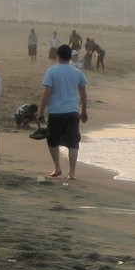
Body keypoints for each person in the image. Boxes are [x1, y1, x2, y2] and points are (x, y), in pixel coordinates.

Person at [36, 44, 89, 180]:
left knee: (53, 140)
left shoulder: (51, 71)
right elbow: (83, 95)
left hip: (55, 112)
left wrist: (41, 112)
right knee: (73, 142)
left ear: (57, 56)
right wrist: (84, 111)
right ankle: (72, 172)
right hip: (72, 112)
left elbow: (46, 93)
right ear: (70, 57)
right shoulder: (77, 72)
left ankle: (57, 167)